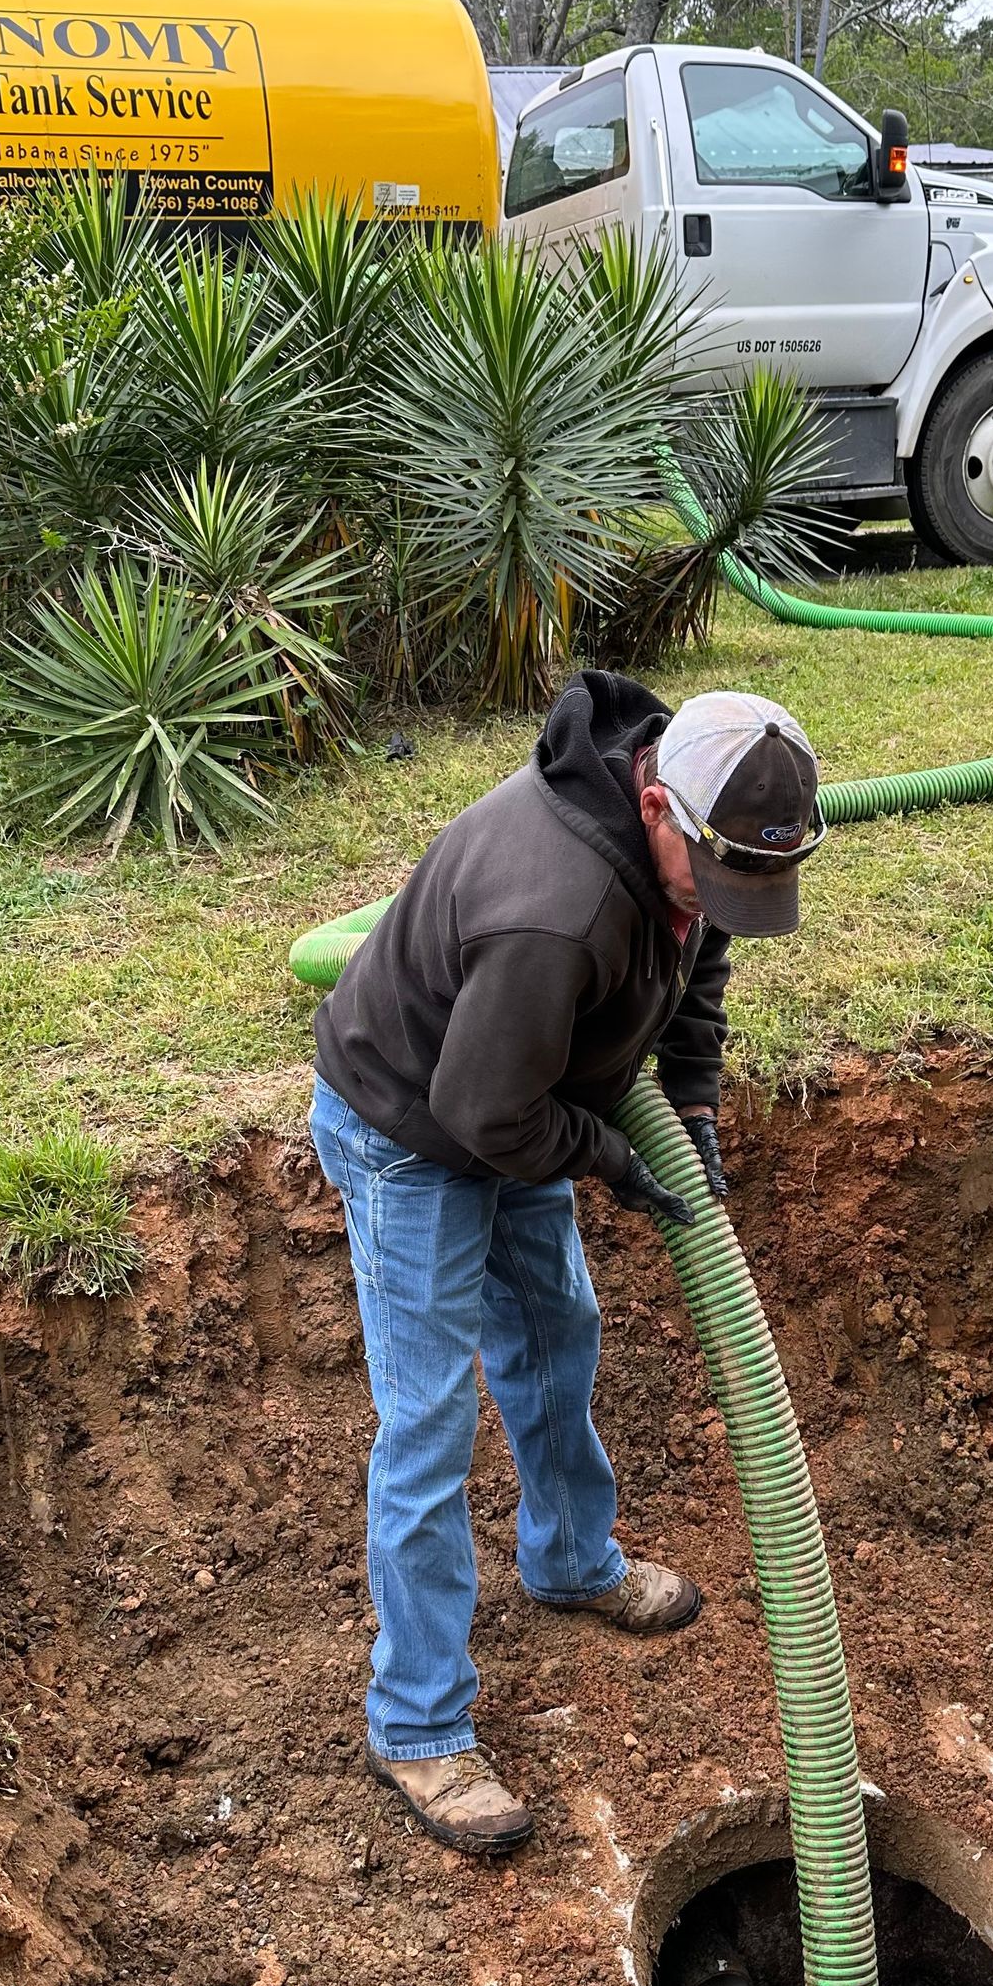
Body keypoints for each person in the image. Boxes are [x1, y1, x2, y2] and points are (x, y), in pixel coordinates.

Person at [309, 670, 824, 1855]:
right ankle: (418, 1724)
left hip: (514, 1094)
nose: (739, 898)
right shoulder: (558, 907)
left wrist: (686, 1106)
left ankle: (570, 1561)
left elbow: (699, 956)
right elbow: (479, 1109)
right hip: (415, 1130)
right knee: (431, 1421)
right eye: (726, 871)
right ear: (659, 809)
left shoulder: (689, 849)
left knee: (555, 1330)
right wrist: (602, 1150)